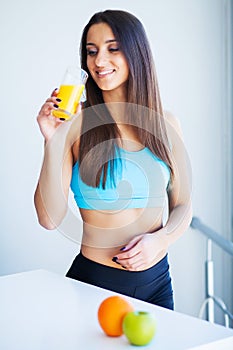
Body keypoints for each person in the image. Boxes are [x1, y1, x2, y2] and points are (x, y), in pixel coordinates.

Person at [34, 9, 192, 310]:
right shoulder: (76, 123)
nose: (99, 61)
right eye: (91, 52)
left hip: (158, 285)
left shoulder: (166, 123)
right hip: (94, 286)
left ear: (136, 52)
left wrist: (161, 241)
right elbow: (48, 219)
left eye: (112, 49)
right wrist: (52, 141)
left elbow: (184, 205)